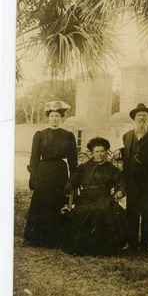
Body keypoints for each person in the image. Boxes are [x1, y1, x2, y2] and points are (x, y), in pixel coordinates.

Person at [24, 101, 77, 248]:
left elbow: (73, 161)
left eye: (58, 116)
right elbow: (34, 158)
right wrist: (33, 177)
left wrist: (73, 181)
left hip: (60, 171)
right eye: (52, 116)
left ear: (62, 118)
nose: (55, 119)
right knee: (41, 201)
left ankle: (56, 239)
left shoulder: (68, 135)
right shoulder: (40, 135)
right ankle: (36, 238)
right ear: (48, 117)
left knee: (58, 201)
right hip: (44, 171)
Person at [63, 137, 129, 256]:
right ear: (92, 153)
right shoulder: (84, 168)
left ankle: (103, 249)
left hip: (103, 198)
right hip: (86, 198)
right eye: (97, 151)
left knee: (105, 209)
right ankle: (84, 247)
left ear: (106, 153)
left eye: (102, 151)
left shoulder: (112, 169)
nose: (99, 154)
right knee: (81, 211)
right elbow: (73, 180)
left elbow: (120, 183)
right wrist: (69, 185)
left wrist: (120, 191)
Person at [114, 103, 148, 253]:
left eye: (144, 115)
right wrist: (119, 151)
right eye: (139, 116)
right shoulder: (128, 135)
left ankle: (145, 244)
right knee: (132, 212)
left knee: (147, 213)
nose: (141, 118)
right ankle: (132, 243)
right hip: (131, 182)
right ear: (134, 118)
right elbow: (127, 151)